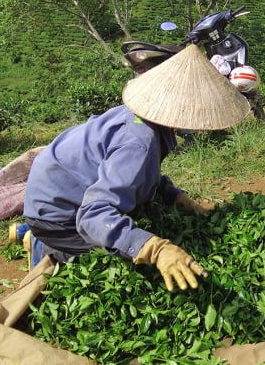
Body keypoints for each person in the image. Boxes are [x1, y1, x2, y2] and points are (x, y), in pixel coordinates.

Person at [13, 44, 250, 292]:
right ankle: (48, 244)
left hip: (63, 189)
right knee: (129, 266)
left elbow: (140, 176)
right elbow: (93, 215)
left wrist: (175, 196)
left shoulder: (143, 122)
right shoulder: (139, 141)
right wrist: (156, 250)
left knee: (142, 221)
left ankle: (36, 234)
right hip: (58, 213)